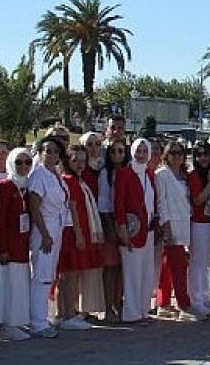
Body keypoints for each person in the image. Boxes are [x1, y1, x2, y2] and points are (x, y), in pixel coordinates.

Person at [25, 136, 71, 338]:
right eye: (47, 150)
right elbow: (34, 207)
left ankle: (42, 316)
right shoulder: (39, 176)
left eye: (55, 151)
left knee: (49, 275)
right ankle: (37, 322)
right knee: (41, 276)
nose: (51, 154)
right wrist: (44, 234)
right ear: (40, 153)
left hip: (57, 227)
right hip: (44, 228)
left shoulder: (56, 175)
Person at [56, 143, 105, 330]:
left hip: (79, 231)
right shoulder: (69, 180)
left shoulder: (78, 179)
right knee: (69, 274)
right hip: (74, 232)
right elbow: (73, 208)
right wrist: (79, 235)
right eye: (75, 160)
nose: (79, 164)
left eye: (83, 160)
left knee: (69, 274)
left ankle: (65, 312)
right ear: (68, 160)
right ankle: (67, 314)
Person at [0, 146, 32, 341]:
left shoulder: (27, 186)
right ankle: (5, 324)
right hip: (8, 247)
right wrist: (2, 248)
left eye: (28, 162)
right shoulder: (5, 187)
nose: (24, 166)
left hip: (22, 245)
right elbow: (0, 219)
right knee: (7, 285)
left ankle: (14, 322)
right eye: (19, 162)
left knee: (18, 284)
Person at [155, 139, 199, 321]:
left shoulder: (184, 176)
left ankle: (163, 302)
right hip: (171, 224)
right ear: (166, 155)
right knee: (178, 266)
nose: (176, 157)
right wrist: (166, 227)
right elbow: (161, 202)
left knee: (168, 265)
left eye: (180, 153)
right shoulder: (162, 174)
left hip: (184, 222)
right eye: (172, 153)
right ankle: (183, 304)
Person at [114, 138, 157, 324]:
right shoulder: (124, 174)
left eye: (144, 151)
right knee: (132, 273)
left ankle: (144, 310)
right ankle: (132, 314)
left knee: (147, 272)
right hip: (132, 231)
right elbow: (119, 203)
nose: (140, 155)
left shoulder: (149, 173)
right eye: (138, 151)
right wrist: (122, 228)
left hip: (148, 230)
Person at [188, 140, 210, 316]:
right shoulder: (193, 176)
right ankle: (196, 299)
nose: (202, 158)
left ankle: (205, 296)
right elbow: (198, 200)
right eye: (198, 155)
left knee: (208, 263)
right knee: (197, 263)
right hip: (199, 224)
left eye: (206, 154)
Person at [98, 139, 128, 322]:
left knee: (122, 269)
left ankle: (119, 304)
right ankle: (108, 308)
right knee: (110, 268)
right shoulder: (105, 174)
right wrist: (110, 227)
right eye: (113, 151)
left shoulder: (128, 172)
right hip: (110, 224)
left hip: (126, 225)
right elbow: (103, 202)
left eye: (121, 151)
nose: (117, 155)